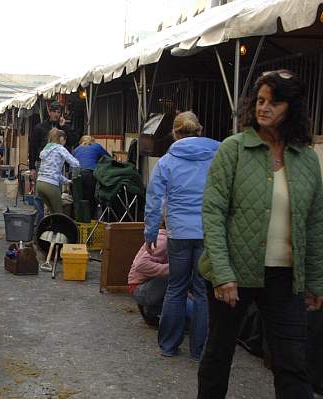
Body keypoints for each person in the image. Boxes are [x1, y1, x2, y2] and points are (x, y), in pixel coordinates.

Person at [197, 70, 323, 399]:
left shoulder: (307, 160)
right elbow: (213, 212)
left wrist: (315, 281)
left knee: (292, 363)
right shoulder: (233, 150)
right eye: (260, 100)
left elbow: (315, 223)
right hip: (232, 274)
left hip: (285, 278)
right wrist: (222, 274)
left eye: (274, 102)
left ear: (292, 108)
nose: (264, 108)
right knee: (218, 356)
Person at [144, 111, 219, 359]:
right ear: (199, 130)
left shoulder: (167, 160)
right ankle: (199, 351)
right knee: (201, 291)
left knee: (175, 288)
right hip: (208, 231)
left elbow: (154, 198)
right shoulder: (217, 156)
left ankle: (168, 345)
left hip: (177, 231)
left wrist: (151, 230)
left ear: (175, 134)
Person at [128, 227, 195, 328]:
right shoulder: (163, 241)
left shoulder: (178, 240)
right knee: (179, 272)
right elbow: (141, 265)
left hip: (156, 286)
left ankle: (153, 310)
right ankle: (152, 309)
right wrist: (174, 268)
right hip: (141, 288)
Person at [28, 101, 74, 222]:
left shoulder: (61, 129)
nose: (56, 114)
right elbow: (32, 148)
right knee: (38, 197)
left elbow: (71, 142)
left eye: (58, 112)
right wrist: (32, 167)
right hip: (41, 164)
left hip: (57, 166)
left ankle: (52, 222)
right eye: (54, 111)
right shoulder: (40, 127)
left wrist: (65, 127)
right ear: (49, 111)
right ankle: (38, 224)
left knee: (55, 194)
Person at [36, 128, 80, 214]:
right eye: (65, 140)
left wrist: (67, 181)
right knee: (59, 213)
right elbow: (76, 164)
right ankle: (58, 227)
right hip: (50, 185)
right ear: (62, 139)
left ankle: (49, 227)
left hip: (40, 184)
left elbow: (53, 172)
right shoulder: (60, 148)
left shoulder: (46, 148)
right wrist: (76, 177)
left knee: (52, 212)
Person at [73, 135, 109, 215]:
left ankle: (79, 219)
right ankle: (91, 219)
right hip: (89, 174)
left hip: (75, 175)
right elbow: (108, 158)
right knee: (91, 198)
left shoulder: (76, 149)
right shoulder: (96, 146)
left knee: (78, 199)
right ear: (92, 141)